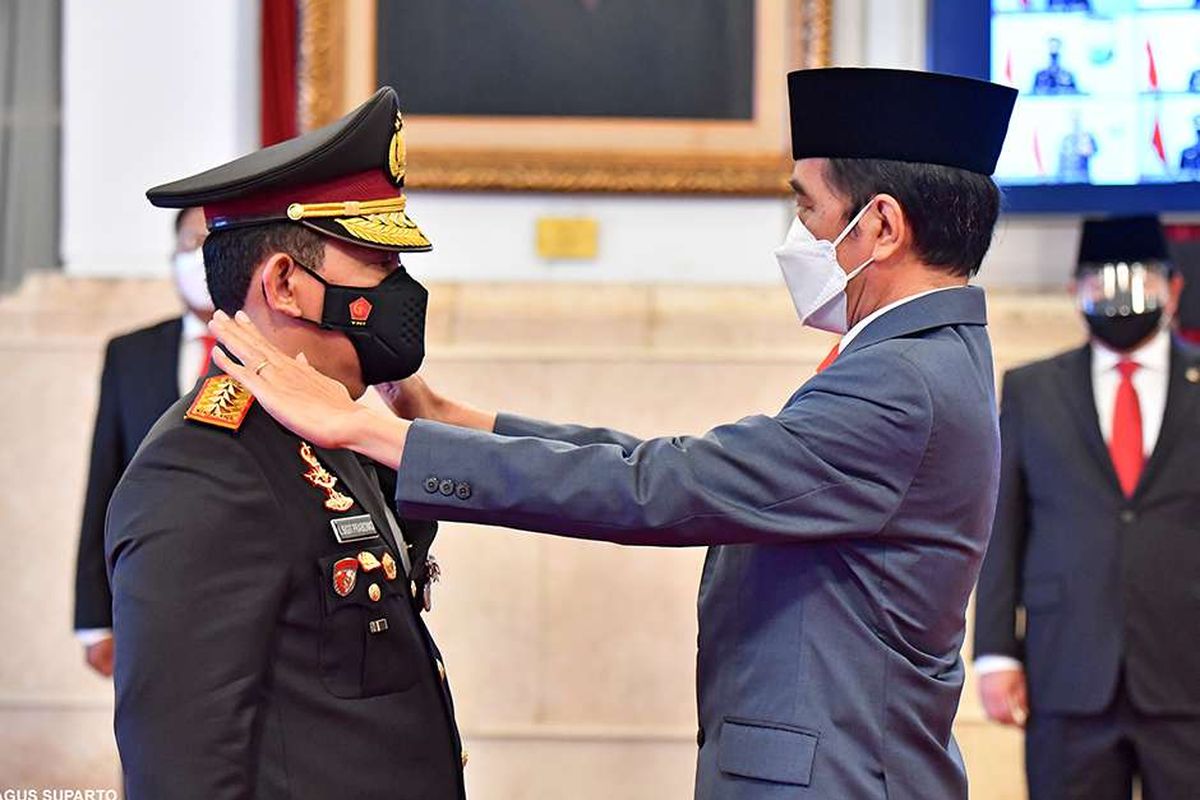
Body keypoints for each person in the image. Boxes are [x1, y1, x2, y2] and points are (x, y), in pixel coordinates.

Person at [211, 67, 1018, 800]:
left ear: (880, 225)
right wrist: (457, 421)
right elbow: (675, 463)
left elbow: (659, 491)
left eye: (807, 206)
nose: (797, 233)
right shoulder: (923, 359)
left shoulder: (899, 383)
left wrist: (368, 432)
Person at [106, 87, 465, 799]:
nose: (403, 292)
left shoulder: (331, 433)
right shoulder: (204, 468)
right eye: (378, 266)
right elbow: (184, 770)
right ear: (285, 284)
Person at [974, 216, 1200, 800]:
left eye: (1138, 282)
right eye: (1099, 283)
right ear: (1077, 290)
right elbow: (1003, 525)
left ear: (1173, 289)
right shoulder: (1031, 389)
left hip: (1187, 676)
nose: (1117, 297)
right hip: (1066, 671)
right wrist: (995, 652)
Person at [73, 206, 210, 677]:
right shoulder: (131, 354)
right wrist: (94, 619)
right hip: (147, 594)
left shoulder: (275, 357)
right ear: (173, 257)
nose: (202, 258)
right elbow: (105, 480)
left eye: (215, 242)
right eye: (191, 244)